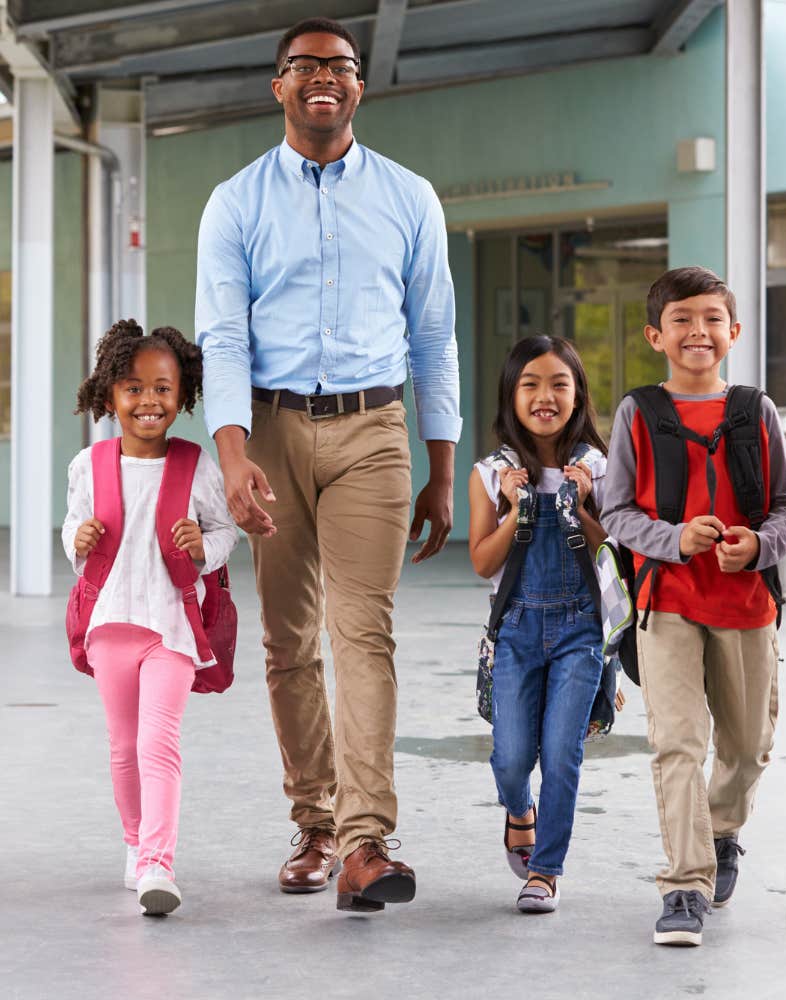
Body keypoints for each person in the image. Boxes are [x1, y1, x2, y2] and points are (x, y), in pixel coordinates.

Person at [195, 16, 460, 912]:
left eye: (339, 66)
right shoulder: (235, 202)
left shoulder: (408, 195)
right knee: (287, 639)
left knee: (365, 631)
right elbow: (223, 335)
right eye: (304, 66)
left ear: (358, 86)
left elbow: (433, 336)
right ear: (278, 85)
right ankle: (313, 820)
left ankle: (365, 839)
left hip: (373, 429)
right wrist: (231, 454)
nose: (323, 78)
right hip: (268, 430)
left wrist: (441, 462)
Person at [602, 267, 786, 946]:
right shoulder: (637, 412)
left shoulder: (756, 410)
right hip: (669, 603)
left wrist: (760, 545)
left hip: (747, 605)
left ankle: (721, 832)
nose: (699, 331)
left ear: (734, 332)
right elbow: (616, 513)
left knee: (748, 749)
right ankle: (684, 885)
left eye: (712, 318)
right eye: (683, 319)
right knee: (677, 745)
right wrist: (673, 539)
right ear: (656, 335)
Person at [62, 320, 239, 915]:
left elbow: (224, 532)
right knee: (122, 744)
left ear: (182, 394)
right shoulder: (89, 465)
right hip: (111, 623)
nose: (148, 401)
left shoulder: (197, 465)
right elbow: (73, 529)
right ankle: (136, 843)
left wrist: (202, 547)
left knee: (159, 742)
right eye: (133, 388)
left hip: (171, 626)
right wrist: (77, 537)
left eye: (163, 388)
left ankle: (159, 862)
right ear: (109, 395)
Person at [468, 335, 608, 913]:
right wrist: (514, 508)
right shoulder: (491, 473)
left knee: (562, 752)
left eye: (559, 384)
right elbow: (482, 562)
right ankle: (519, 809)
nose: (545, 396)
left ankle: (545, 870)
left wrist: (584, 504)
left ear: (577, 396)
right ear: (511, 395)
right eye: (531, 384)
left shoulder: (599, 468)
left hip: (581, 629)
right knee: (510, 757)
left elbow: (614, 554)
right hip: (517, 630)